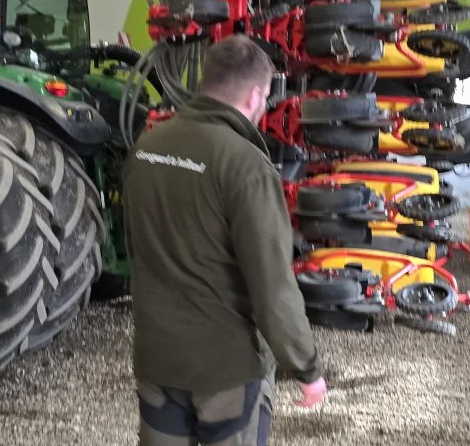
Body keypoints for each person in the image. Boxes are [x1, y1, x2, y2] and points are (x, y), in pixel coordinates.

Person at [122, 34, 327, 446]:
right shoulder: (245, 165)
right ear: (255, 96)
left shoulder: (146, 149)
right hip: (226, 372)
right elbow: (272, 288)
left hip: (157, 359)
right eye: (266, 97)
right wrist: (307, 368)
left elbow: (137, 251)